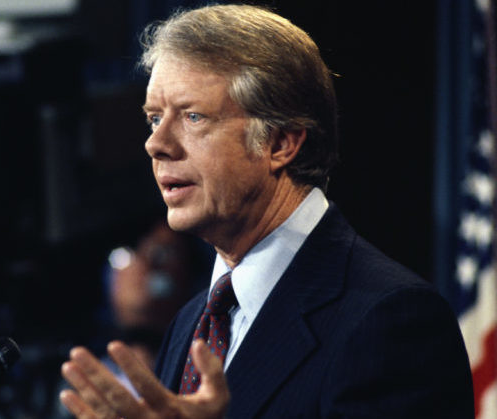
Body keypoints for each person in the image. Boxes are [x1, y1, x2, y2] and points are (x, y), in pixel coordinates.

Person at [59, 4, 474, 418]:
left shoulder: (390, 320)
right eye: (153, 119)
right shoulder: (191, 321)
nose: (157, 144)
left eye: (193, 116)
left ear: (279, 143)